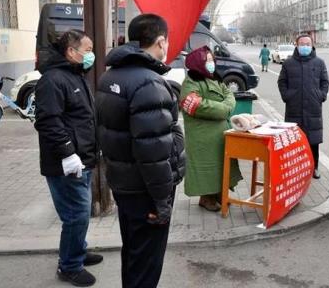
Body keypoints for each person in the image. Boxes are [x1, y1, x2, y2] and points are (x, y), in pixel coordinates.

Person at [96, 14, 185, 288]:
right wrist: (162, 202)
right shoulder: (148, 83)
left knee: (134, 253)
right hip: (147, 191)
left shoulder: (110, 76)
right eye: (167, 42)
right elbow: (153, 152)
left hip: (125, 184)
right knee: (146, 263)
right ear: (160, 41)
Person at [34, 29, 103, 287]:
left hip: (81, 159)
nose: (91, 55)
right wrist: (68, 153)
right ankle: (69, 266)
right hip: (66, 163)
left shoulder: (75, 76)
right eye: (87, 50)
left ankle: (78, 251)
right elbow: (48, 121)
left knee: (80, 213)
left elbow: (81, 118)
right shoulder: (53, 80)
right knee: (76, 215)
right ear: (71, 52)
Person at [180, 45, 242, 211]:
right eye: (207, 60)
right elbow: (197, 105)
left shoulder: (215, 78)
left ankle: (219, 195)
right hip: (202, 136)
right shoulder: (190, 82)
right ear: (197, 63)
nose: (211, 63)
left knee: (221, 165)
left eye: (211, 60)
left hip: (220, 133)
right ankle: (206, 198)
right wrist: (224, 109)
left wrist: (226, 106)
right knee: (206, 167)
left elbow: (229, 95)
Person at [278, 34, 329, 179]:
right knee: (294, 141)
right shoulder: (288, 63)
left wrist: (321, 95)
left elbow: (325, 82)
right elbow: (282, 82)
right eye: (302, 44)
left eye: (307, 44)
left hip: (313, 108)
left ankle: (314, 167)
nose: (305, 46)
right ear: (297, 45)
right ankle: (295, 169)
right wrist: (287, 96)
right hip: (294, 108)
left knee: (313, 141)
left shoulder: (319, 63)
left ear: (312, 45)